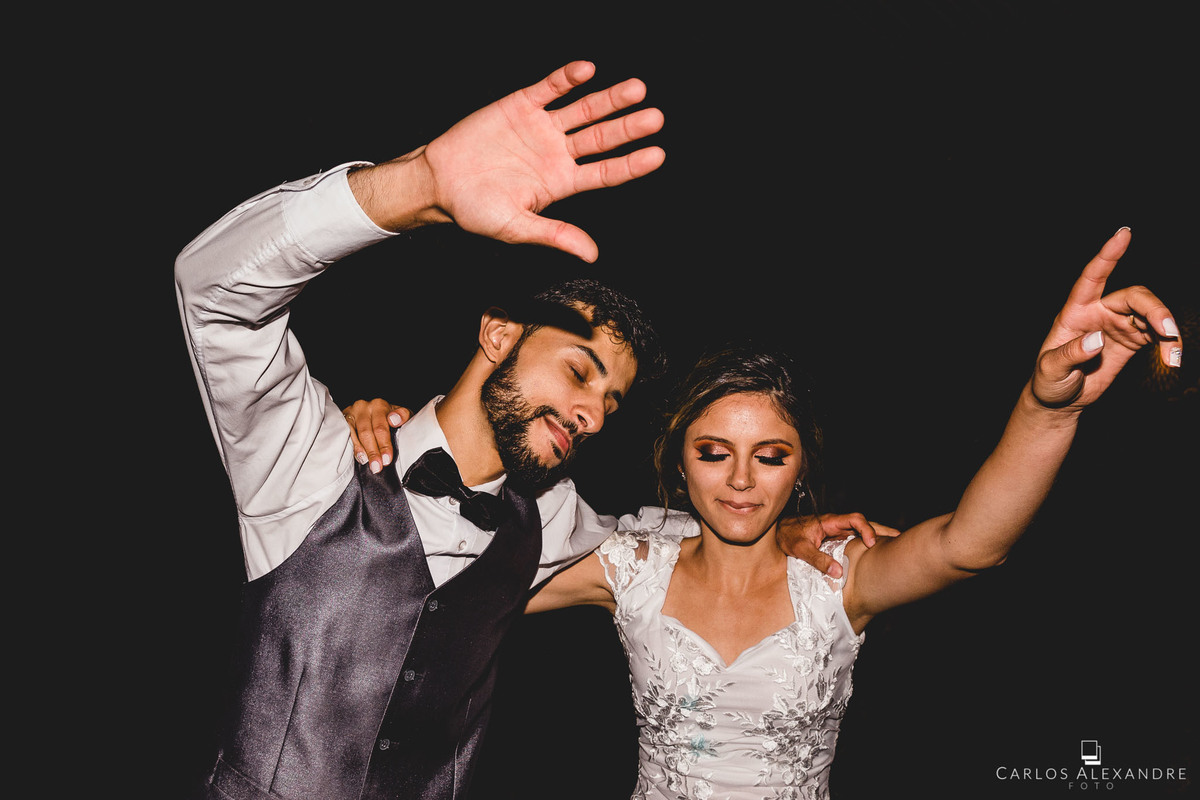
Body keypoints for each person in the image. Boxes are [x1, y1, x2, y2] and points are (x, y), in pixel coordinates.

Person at [175, 61, 879, 800]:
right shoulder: (310, 460)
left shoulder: (546, 521)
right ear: (499, 334)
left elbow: (660, 547)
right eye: (580, 373)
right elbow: (213, 293)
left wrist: (782, 534)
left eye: (610, 403)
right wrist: (419, 185)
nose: (591, 414)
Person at [344, 228, 1183, 798]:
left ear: (800, 469)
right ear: (679, 461)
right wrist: (384, 433)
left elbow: (971, 546)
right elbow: (429, 574)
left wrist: (1051, 407)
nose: (741, 481)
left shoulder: (838, 577)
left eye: (770, 456)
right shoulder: (625, 566)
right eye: (714, 453)